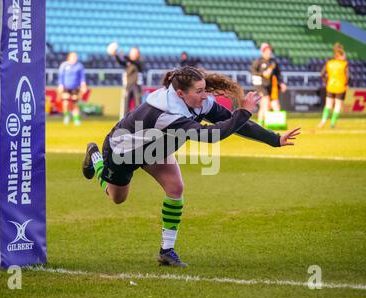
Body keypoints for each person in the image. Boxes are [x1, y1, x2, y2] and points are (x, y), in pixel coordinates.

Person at [81, 66, 300, 267]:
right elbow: (212, 135)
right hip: (123, 151)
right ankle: (95, 157)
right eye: (199, 91)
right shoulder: (166, 114)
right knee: (117, 198)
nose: (205, 96)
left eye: (204, 89)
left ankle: (166, 252)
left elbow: (233, 122)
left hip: (156, 148)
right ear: (180, 94)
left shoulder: (199, 102)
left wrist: (275, 139)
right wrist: (244, 112)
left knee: (176, 188)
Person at [250, 43, 286, 126]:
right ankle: (263, 123)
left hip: (272, 87)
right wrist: (262, 74)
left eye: (269, 51)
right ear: (263, 52)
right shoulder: (258, 62)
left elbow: (278, 74)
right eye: (267, 51)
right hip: (261, 86)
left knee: (275, 105)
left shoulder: (273, 62)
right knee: (265, 103)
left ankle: (274, 124)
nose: (269, 53)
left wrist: (281, 83)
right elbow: (253, 72)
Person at [318, 43, 350, 129]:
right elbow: (348, 76)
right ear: (339, 55)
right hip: (340, 87)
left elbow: (322, 74)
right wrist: (346, 84)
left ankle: (323, 121)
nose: (345, 57)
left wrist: (327, 81)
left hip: (330, 86)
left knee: (328, 105)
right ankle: (332, 123)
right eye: (343, 55)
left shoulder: (329, 63)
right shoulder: (344, 64)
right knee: (338, 105)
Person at [111, 46, 144, 116]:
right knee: (125, 107)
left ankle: (139, 126)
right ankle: (125, 125)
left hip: (136, 86)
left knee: (138, 108)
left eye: (135, 52)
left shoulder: (139, 62)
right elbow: (121, 62)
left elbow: (133, 62)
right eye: (132, 52)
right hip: (128, 86)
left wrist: (124, 56)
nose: (133, 53)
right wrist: (116, 55)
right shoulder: (128, 62)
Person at [58, 52, 87, 125]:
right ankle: (66, 116)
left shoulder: (79, 66)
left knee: (75, 104)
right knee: (65, 103)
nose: (75, 58)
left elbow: (82, 77)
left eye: (76, 57)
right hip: (66, 87)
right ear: (69, 57)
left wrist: (83, 85)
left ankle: (76, 120)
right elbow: (61, 76)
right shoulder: (64, 65)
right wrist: (60, 85)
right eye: (73, 57)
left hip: (75, 88)